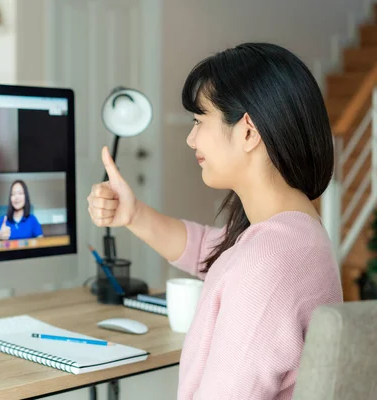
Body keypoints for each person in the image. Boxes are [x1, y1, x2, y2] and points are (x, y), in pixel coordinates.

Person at [87, 43, 343, 400]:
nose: (191, 138)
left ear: (248, 131)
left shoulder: (265, 264)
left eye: (199, 121)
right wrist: (133, 215)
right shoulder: (298, 233)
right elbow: (214, 253)